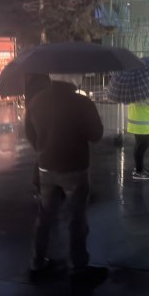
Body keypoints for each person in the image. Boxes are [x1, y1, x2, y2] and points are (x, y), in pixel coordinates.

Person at [25, 73, 108, 285]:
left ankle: (37, 262)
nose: (80, 76)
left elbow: (30, 134)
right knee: (77, 219)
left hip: (45, 168)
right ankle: (79, 268)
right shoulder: (82, 102)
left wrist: (44, 150)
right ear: (71, 77)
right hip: (74, 168)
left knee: (44, 217)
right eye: (78, 74)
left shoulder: (37, 100)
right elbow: (96, 134)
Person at [127, 93, 149, 181]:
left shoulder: (135, 90)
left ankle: (139, 168)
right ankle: (138, 172)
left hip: (139, 121)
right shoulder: (141, 91)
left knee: (140, 145)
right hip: (141, 122)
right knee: (142, 145)